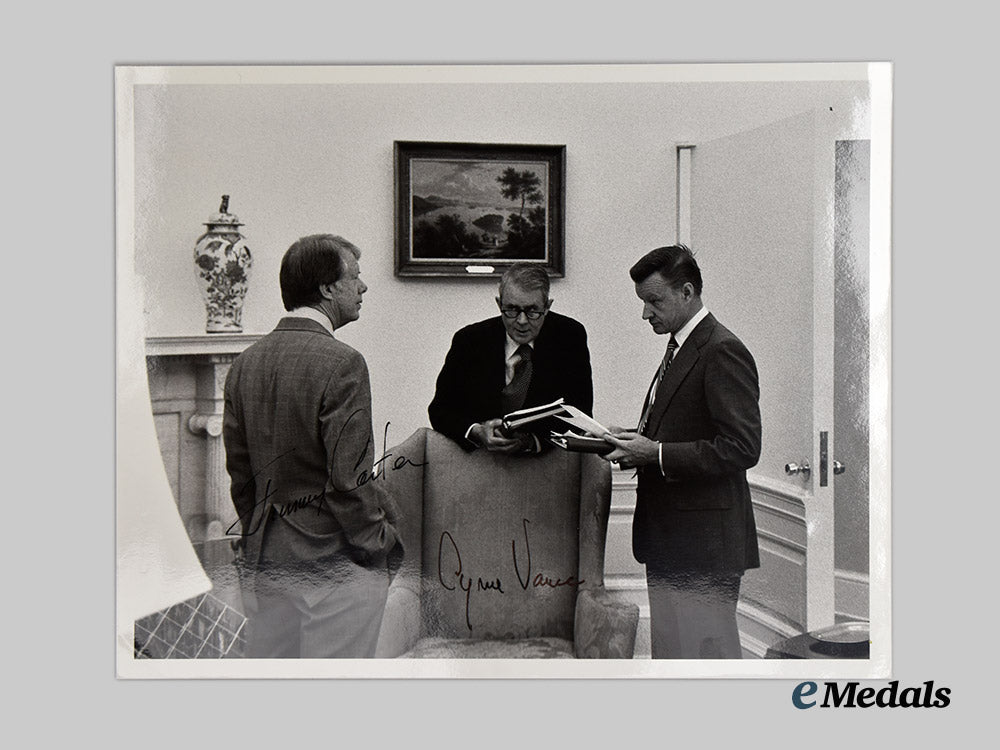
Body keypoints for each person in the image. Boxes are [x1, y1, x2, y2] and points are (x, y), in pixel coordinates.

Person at [223, 234, 402, 658]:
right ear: (327, 288)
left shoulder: (244, 363)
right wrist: (381, 542)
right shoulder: (343, 363)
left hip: (268, 561)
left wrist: (256, 543)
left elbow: (241, 476)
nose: (363, 287)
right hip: (337, 564)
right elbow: (350, 480)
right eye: (354, 278)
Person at [601, 244, 761, 659]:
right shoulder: (682, 345)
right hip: (671, 540)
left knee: (705, 663)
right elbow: (681, 424)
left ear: (687, 292)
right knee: (673, 659)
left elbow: (742, 447)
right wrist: (630, 437)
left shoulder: (722, 349)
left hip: (704, 547)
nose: (645, 314)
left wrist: (653, 454)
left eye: (654, 301)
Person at [428, 263, 593, 454]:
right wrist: (477, 431)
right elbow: (440, 411)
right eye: (512, 310)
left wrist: (532, 441)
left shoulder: (569, 337)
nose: (522, 321)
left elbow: (580, 413)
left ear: (547, 306)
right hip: (480, 460)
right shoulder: (469, 340)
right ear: (499, 304)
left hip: (545, 461)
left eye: (533, 311)